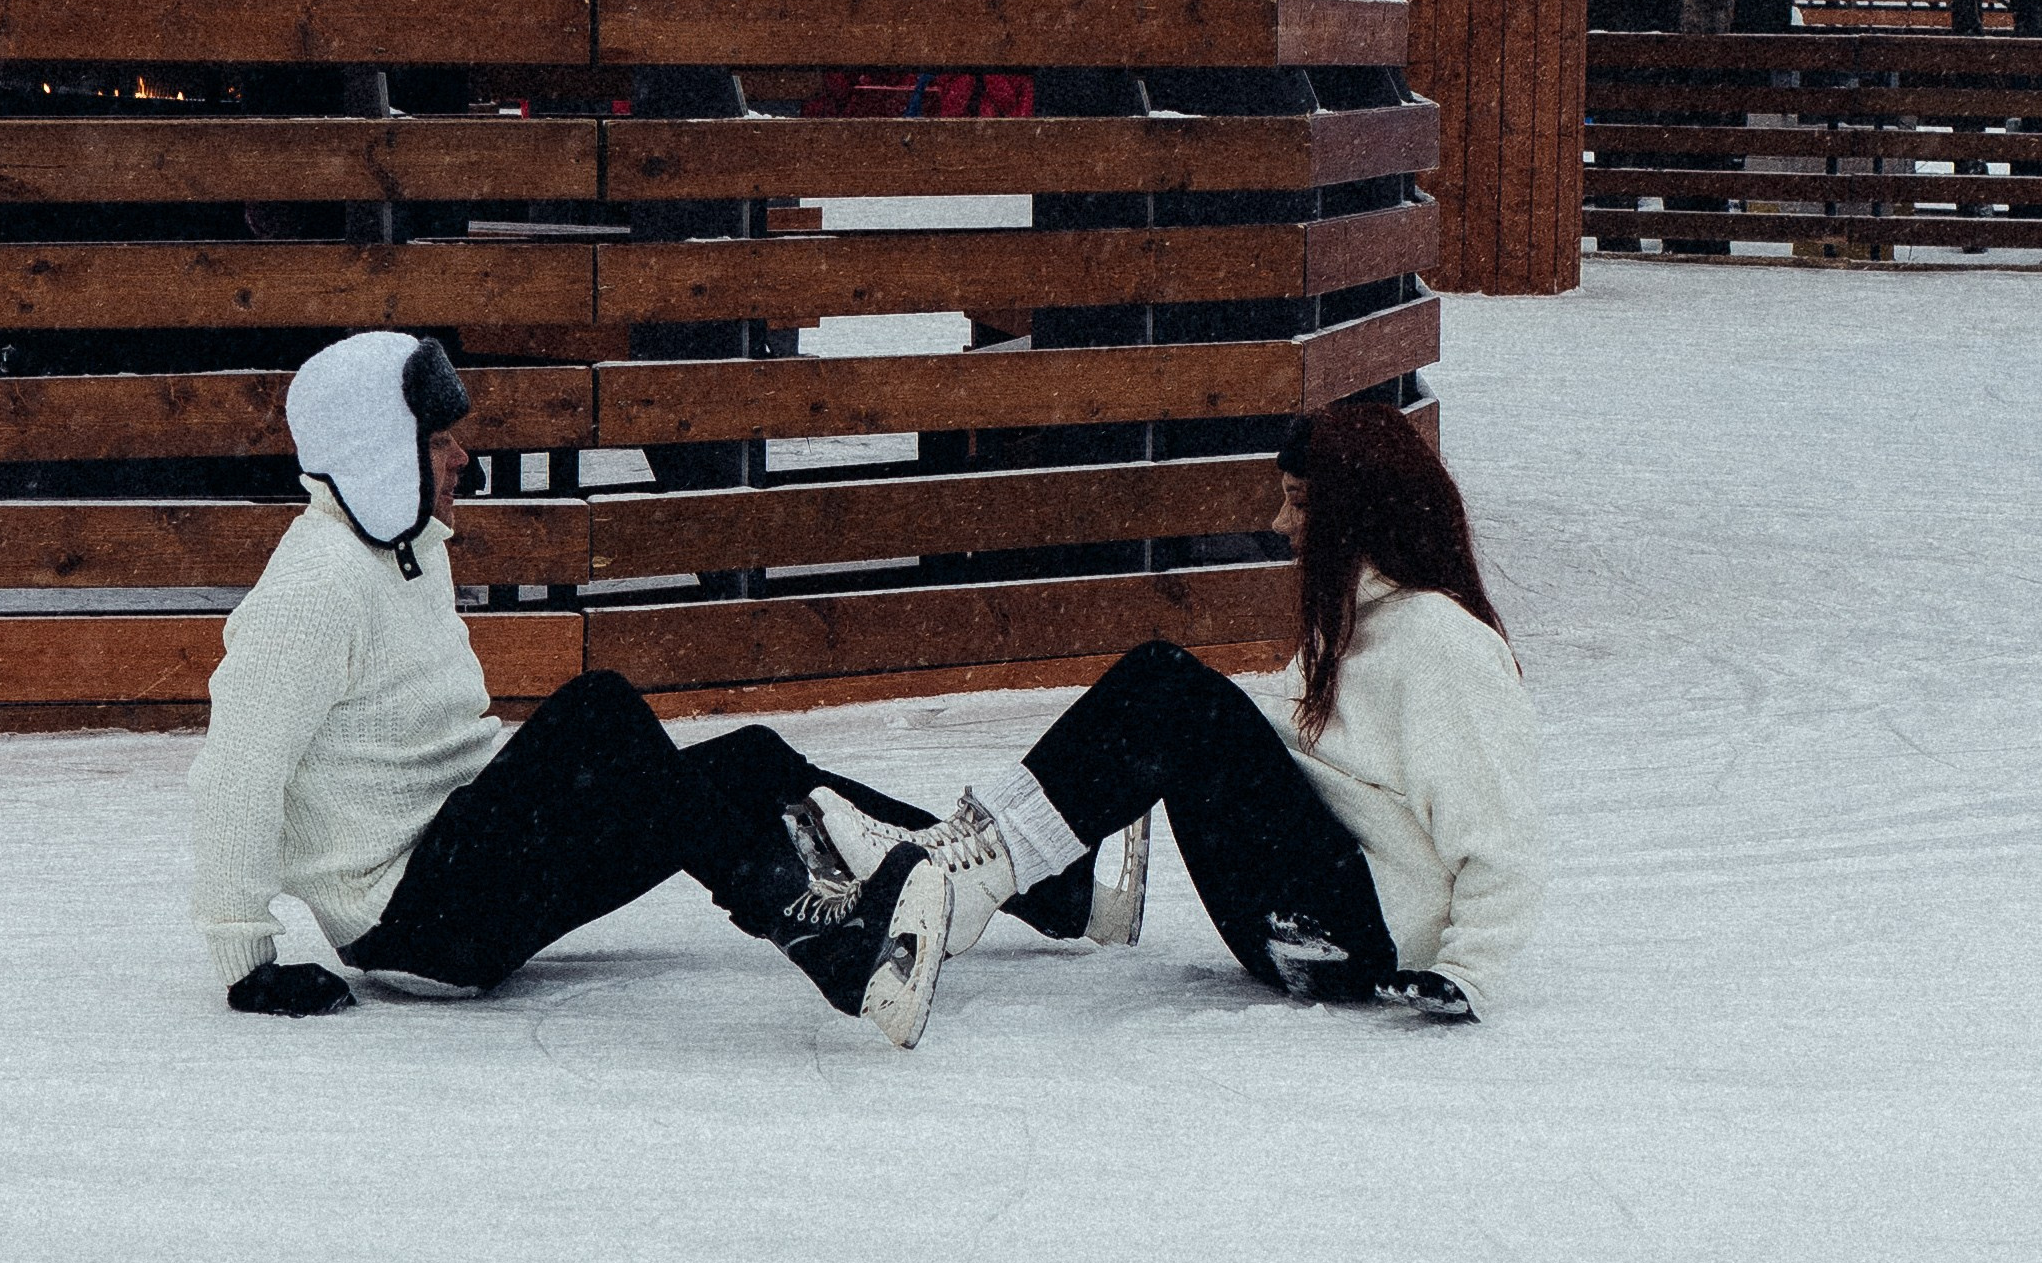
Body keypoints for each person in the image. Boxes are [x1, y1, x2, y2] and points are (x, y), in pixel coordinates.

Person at [190, 330, 1144, 1051]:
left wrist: (560, 802)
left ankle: (1041, 893)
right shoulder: (314, 586)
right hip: (414, 920)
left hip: (467, 862)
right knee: (600, 709)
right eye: (439, 439)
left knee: (747, 764)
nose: (462, 461)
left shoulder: (402, 556)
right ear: (371, 450)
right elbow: (238, 763)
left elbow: (438, 749)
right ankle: (843, 942)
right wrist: (247, 960)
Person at [805, 398, 1541, 1021]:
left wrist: (1467, 972)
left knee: (1169, 686)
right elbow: (1280, 756)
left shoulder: (1443, 641)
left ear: (1359, 513)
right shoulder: (1349, 624)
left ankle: (971, 877)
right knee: (1169, 703)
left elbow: (1499, 832)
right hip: (1294, 928)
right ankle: (967, 863)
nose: (1281, 524)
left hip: (1356, 940)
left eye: (1302, 502)